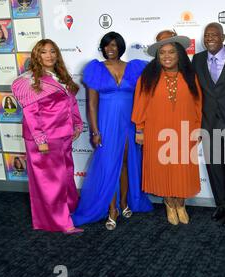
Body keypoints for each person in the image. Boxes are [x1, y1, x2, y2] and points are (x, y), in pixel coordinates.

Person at [72, 32, 153, 230]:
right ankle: (112, 209)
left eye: (114, 45)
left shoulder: (134, 68)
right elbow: (91, 105)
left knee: (125, 163)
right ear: (103, 48)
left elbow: (143, 99)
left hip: (129, 123)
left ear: (121, 47)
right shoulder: (95, 69)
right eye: (107, 45)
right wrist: (94, 131)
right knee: (109, 165)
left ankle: (124, 202)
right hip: (106, 124)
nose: (110, 49)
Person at [11, 39, 84, 234]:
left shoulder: (60, 76)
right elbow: (31, 114)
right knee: (52, 182)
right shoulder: (30, 80)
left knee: (67, 175)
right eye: (44, 52)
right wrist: (40, 140)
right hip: (44, 138)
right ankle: (58, 222)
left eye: (53, 51)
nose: (49, 55)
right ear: (37, 56)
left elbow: (71, 103)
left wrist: (77, 123)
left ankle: (69, 211)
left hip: (63, 135)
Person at [132, 30, 202, 225]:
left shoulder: (190, 76)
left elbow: (198, 104)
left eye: (171, 52)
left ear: (179, 53)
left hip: (184, 130)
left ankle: (181, 203)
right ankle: (169, 203)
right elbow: (140, 104)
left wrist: (197, 128)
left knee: (182, 168)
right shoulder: (147, 77)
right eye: (162, 53)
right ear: (157, 56)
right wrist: (139, 129)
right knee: (162, 168)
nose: (167, 56)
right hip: (156, 130)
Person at [192, 22, 225, 226]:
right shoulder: (196, 60)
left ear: (223, 38)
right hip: (208, 123)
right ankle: (221, 206)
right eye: (206, 35)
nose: (210, 39)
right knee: (214, 168)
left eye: (214, 35)